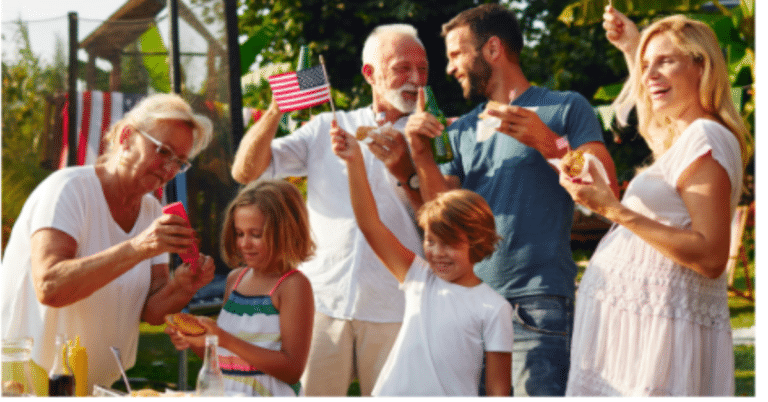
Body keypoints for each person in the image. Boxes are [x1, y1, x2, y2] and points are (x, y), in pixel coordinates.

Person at [402, 4, 619, 396]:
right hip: (469, 303)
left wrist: (547, 143)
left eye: (455, 54)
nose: (449, 68)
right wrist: (419, 154)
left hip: (536, 304)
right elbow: (444, 218)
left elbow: (606, 190)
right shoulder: (464, 129)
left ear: (492, 49)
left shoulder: (566, 107)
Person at [561, 7, 750, 396]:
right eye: (647, 66)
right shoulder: (687, 140)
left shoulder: (706, 138)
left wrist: (611, 208)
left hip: (657, 343)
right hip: (637, 334)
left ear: (702, 67)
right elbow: (656, 130)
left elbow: (712, 257)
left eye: (665, 61)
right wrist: (633, 49)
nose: (649, 76)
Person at [230, 24, 427, 396]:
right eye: (403, 67)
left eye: (423, 69)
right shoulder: (327, 126)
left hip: (397, 306)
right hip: (322, 303)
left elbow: (443, 215)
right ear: (370, 73)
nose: (415, 79)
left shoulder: (433, 134)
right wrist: (276, 110)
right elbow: (245, 171)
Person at [1, 93, 216, 393]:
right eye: (164, 152)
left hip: (99, 385)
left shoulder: (153, 211)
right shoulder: (69, 189)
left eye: (180, 162)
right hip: (27, 383)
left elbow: (152, 312)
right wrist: (138, 247)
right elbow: (50, 287)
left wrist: (182, 285)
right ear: (127, 136)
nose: (169, 168)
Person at [330, 123, 513, 396]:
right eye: (430, 241)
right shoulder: (419, 277)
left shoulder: (494, 308)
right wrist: (354, 162)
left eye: (449, 243)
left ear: (476, 241)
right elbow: (370, 225)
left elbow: (498, 390)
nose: (437, 252)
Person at [165, 179, 315, 396]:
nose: (245, 243)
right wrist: (195, 340)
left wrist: (223, 337)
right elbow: (224, 356)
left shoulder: (293, 286)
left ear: (286, 232)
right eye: (239, 233)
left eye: (256, 234)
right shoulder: (235, 280)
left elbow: (292, 370)